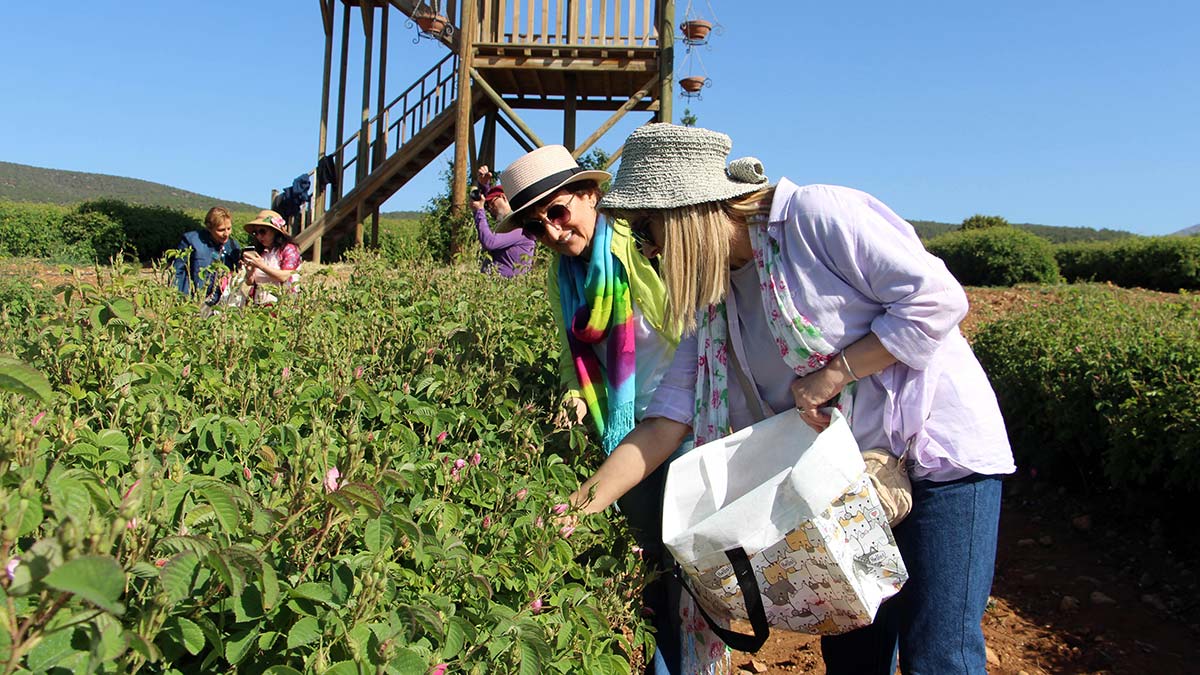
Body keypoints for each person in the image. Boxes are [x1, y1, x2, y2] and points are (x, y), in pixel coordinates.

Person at [571, 123, 1016, 675]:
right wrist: (576, 509)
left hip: (938, 453)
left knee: (939, 653)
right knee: (855, 656)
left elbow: (936, 300)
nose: (646, 247)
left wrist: (836, 373)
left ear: (688, 211)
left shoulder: (816, 218)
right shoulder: (713, 301)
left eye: (647, 227)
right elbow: (667, 420)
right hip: (846, 481)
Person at [497, 145, 728, 674]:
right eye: (536, 228)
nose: (553, 233)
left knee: (696, 564)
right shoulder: (565, 278)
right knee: (657, 566)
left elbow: (700, 319)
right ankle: (670, 663)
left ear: (590, 194)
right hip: (626, 436)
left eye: (558, 212)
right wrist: (574, 395)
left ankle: (694, 665)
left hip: (687, 421)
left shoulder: (641, 242)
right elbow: (569, 355)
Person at [468, 171, 536, 277]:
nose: (490, 208)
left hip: (508, 289)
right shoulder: (510, 229)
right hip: (496, 288)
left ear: (504, 197)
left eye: (492, 203)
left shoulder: (521, 231)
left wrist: (479, 211)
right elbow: (493, 197)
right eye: (487, 206)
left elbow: (489, 242)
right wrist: (483, 185)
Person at [173, 206, 242, 303]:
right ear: (209, 228)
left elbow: (236, 272)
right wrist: (176, 296)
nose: (226, 234)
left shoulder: (232, 245)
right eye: (221, 230)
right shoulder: (191, 240)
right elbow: (177, 271)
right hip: (192, 299)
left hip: (220, 302)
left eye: (229, 228)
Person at [241, 209, 301, 305]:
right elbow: (250, 282)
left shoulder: (289, 249)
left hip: (281, 305)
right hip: (259, 303)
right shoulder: (261, 252)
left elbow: (284, 276)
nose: (259, 236)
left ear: (275, 231)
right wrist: (250, 270)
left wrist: (261, 266)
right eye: (256, 233)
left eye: (262, 231)